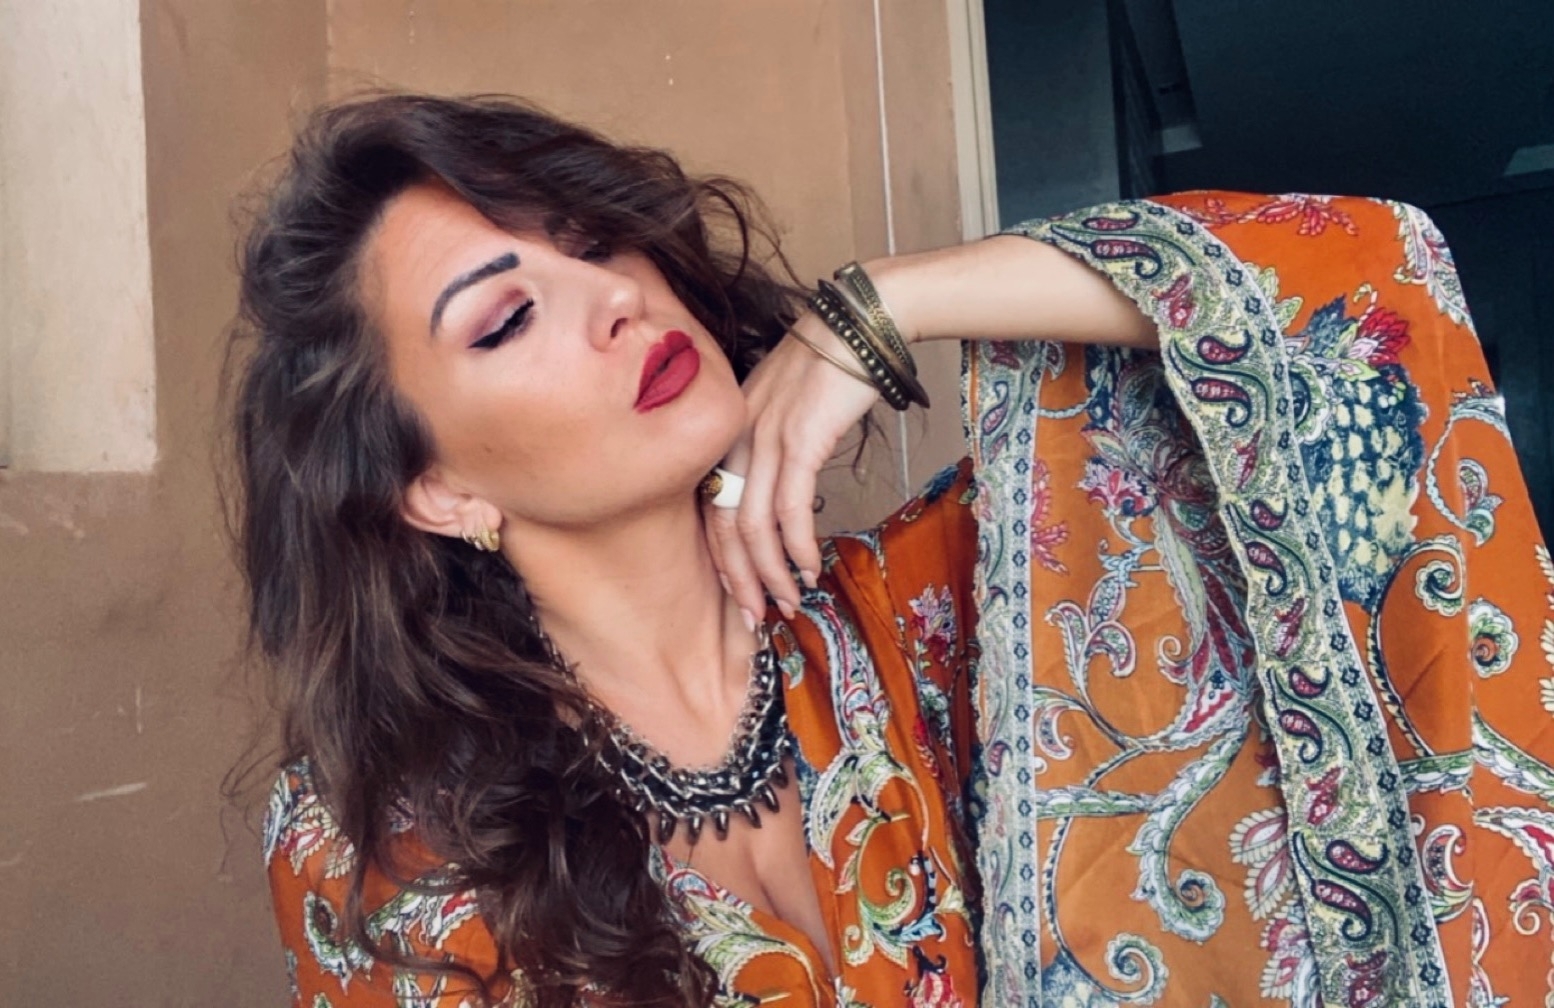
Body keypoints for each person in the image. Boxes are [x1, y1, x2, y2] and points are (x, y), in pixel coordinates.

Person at [236, 93, 1553, 1007]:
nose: (618, 297)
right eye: (507, 317)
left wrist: (885, 302)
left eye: (590, 242)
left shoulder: (938, 611)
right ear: (438, 489)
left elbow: (1357, 296)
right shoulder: (382, 850)